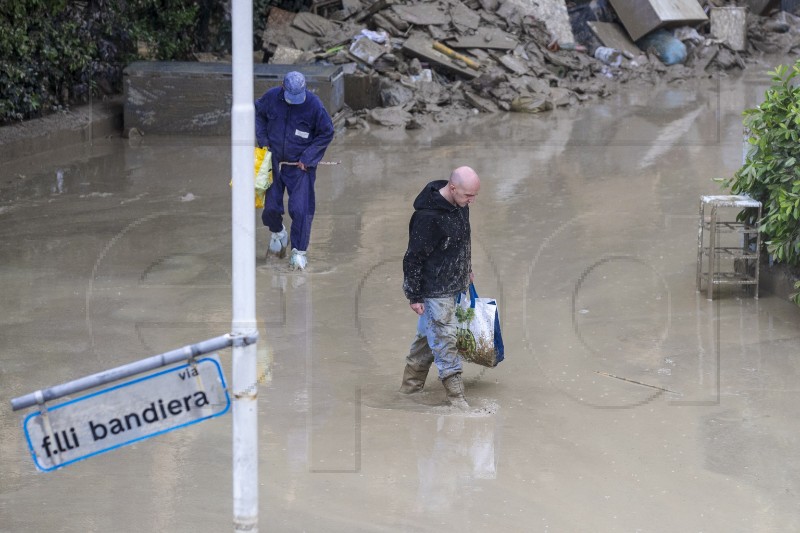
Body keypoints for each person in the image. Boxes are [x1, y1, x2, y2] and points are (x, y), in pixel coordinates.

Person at [400, 166, 481, 410]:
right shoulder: (427, 218)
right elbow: (412, 258)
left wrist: (466, 268)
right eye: (468, 195)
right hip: (435, 290)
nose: (472, 201)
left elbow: (460, 240)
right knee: (446, 341)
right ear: (453, 187)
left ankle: (408, 391)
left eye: (475, 196)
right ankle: (457, 400)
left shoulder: (460, 206)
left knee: (426, 338)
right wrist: (414, 295)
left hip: (455, 284)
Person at [255, 71, 334, 271]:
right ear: (283, 87)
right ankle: (278, 232)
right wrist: (263, 141)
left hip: (300, 167)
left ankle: (299, 252)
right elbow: (259, 115)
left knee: (301, 209)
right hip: (273, 161)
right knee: (270, 208)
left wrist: (308, 157)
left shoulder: (314, 106)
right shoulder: (271, 97)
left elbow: (326, 132)